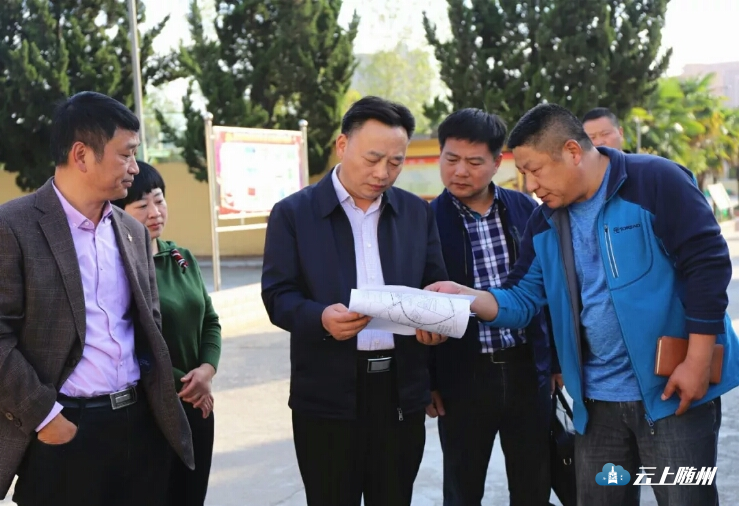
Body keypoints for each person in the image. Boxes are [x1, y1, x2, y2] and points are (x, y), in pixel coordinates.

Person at [422, 103, 739, 506]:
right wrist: (465, 297)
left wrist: (697, 361)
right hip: (597, 405)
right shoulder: (545, 221)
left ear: (572, 151)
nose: (531, 184)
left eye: (536, 170)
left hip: (672, 391)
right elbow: (521, 298)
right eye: (524, 174)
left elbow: (707, 265)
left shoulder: (654, 180)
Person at [0, 91, 193, 506]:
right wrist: (45, 415)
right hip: (64, 432)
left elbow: (149, 326)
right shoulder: (13, 226)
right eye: (126, 154)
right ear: (82, 155)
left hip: (138, 428)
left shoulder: (132, 231)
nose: (135, 167)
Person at [261, 96, 449, 506]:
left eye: (395, 162)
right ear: (342, 145)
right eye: (373, 159)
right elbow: (277, 295)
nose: (383, 173)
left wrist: (435, 322)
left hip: (399, 390)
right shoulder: (294, 214)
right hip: (326, 393)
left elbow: (433, 284)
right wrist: (319, 317)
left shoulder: (416, 213)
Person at [427, 108, 556, 506]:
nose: (459, 171)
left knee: (533, 484)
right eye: (451, 159)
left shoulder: (527, 211)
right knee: (462, 488)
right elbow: (417, 304)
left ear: (498, 162)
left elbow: (548, 290)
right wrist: (427, 380)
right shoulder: (426, 221)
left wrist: (555, 363)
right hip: (462, 376)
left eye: (474, 162)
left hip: (526, 369)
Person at [112, 161, 221, 506]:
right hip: (155, 408)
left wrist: (207, 370)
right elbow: (134, 340)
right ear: (120, 212)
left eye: (159, 200)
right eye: (141, 205)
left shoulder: (180, 257)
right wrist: (189, 385)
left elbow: (210, 321)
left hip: (197, 404)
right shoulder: (120, 266)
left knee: (192, 496)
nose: (154, 212)